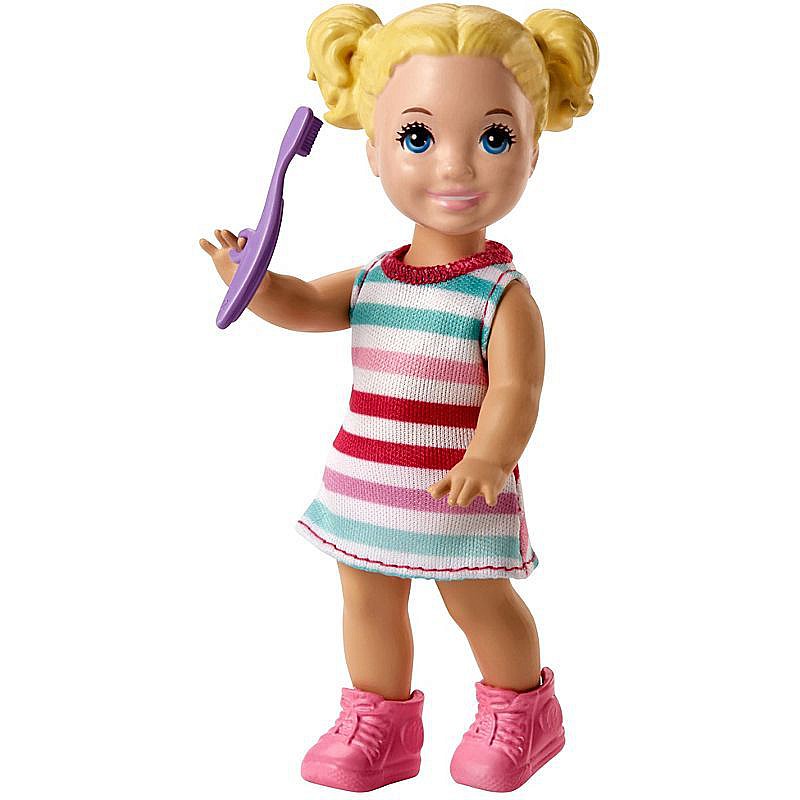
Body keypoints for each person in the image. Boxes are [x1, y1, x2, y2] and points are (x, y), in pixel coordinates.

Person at [199, 3, 598, 792]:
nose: (455, 167)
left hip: (458, 487)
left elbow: (517, 389)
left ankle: (524, 712)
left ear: (533, 150)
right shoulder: (375, 278)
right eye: (418, 137)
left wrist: (489, 457)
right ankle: (380, 721)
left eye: (494, 139)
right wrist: (254, 280)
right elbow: (306, 303)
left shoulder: (501, 296)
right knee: (367, 599)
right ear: (375, 151)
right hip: (367, 483)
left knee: (477, 600)